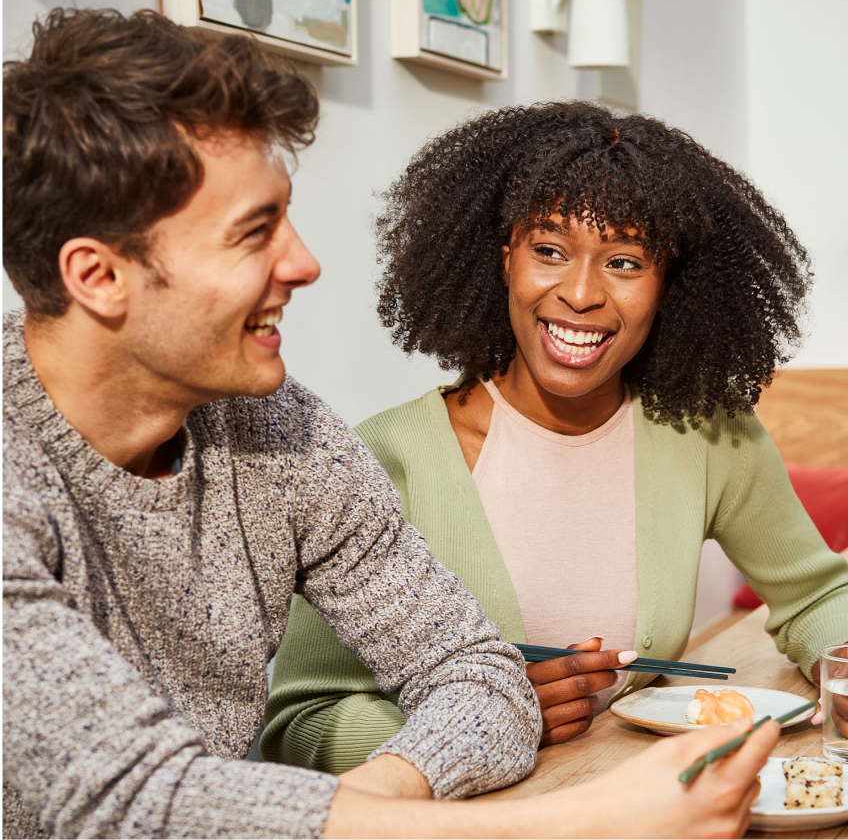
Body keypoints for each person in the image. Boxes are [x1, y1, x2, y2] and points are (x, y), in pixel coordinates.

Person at [1, 8, 783, 840]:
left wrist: (384, 793)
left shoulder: (282, 432)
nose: (304, 263)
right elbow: (138, 799)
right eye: (254, 234)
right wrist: (583, 820)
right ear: (98, 275)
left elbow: (479, 673)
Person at [264, 102, 848, 771]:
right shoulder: (384, 460)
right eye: (549, 250)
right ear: (505, 256)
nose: (580, 292)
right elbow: (301, 723)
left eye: (625, 261)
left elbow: (818, 594)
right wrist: (483, 722)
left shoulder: (707, 433)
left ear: (668, 284)